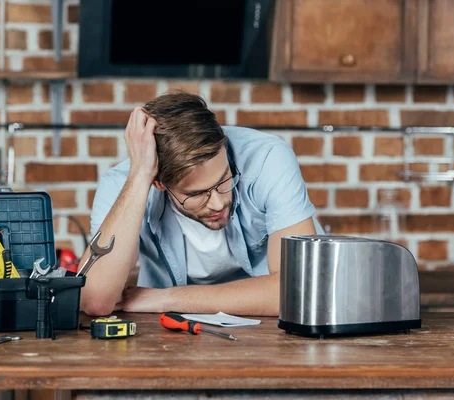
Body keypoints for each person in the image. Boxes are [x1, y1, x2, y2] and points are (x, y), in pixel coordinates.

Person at [80, 91, 324, 317]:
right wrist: (140, 176)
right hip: (170, 337)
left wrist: (167, 300)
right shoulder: (124, 184)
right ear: (159, 183)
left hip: (271, 330)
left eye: (223, 180)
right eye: (196, 194)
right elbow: (95, 300)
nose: (218, 203)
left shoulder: (268, 158)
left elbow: (297, 290)